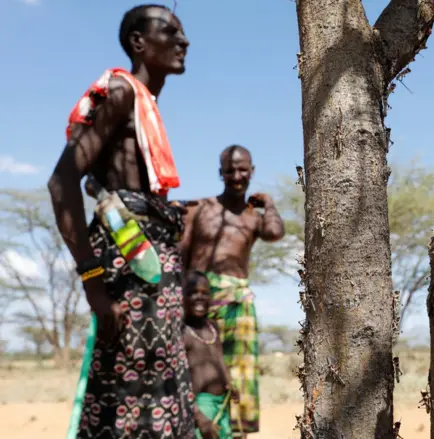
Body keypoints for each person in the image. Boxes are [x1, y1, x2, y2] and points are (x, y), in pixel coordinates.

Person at [47, 5, 205, 438]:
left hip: (154, 279)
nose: (183, 41)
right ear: (138, 42)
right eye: (169, 31)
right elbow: (62, 182)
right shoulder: (120, 91)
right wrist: (94, 284)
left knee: (158, 384)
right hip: (126, 276)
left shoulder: (145, 105)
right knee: (126, 393)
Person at [180, 145, 285, 437]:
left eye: (243, 170)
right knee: (196, 365)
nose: (236, 176)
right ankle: (197, 426)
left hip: (239, 301)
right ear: (220, 173)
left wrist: (269, 203)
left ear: (252, 172)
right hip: (201, 298)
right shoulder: (200, 208)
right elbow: (182, 255)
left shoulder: (254, 216)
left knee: (240, 373)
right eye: (230, 170)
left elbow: (276, 233)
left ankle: (236, 432)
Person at [183, 270, 240, 439]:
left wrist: (229, 381)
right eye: (192, 293)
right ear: (180, 296)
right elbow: (180, 380)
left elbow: (219, 358)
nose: (199, 297)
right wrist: (198, 416)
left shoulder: (212, 327)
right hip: (200, 405)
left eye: (205, 293)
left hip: (222, 401)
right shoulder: (181, 331)